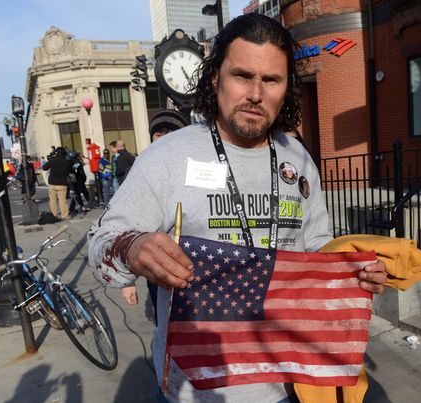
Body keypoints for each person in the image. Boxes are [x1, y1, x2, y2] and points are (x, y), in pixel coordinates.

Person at [88, 14, 386, 402]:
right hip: (197, 389)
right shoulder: (168, 157)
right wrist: (132, 246)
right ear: (216, 78)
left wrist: (352, 271)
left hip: (288, 382)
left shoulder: (298, 158)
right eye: (242, 76)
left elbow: (316, 248)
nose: (256, 94)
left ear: (285, 88)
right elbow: (100, 245)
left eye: (271, 80)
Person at [120, 109, 190, 317]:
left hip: (198, 263)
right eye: (159, 134)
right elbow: (127, 226)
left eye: (172, 132)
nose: (165, 138)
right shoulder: (143, 169)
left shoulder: (202, 166)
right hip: (159, 266)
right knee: (166, 325)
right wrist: (127, 280)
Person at [42, 147, 71, 220]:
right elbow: (70, 170)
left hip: (52, 183)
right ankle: (64, 215)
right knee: (62, 200)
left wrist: (50, 159)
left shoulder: (53, 160)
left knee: (52, 200)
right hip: (62, 183)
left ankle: (54, 215)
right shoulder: (66, 161)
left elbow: (44, 168)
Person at [85, 138, 103, 206]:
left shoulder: (93, 149)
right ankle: (99, 197)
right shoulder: (91, 149)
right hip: (94, 165)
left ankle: (100, 197)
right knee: (97, 183)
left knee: (98, 182)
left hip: (95, 165)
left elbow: (96, 156)